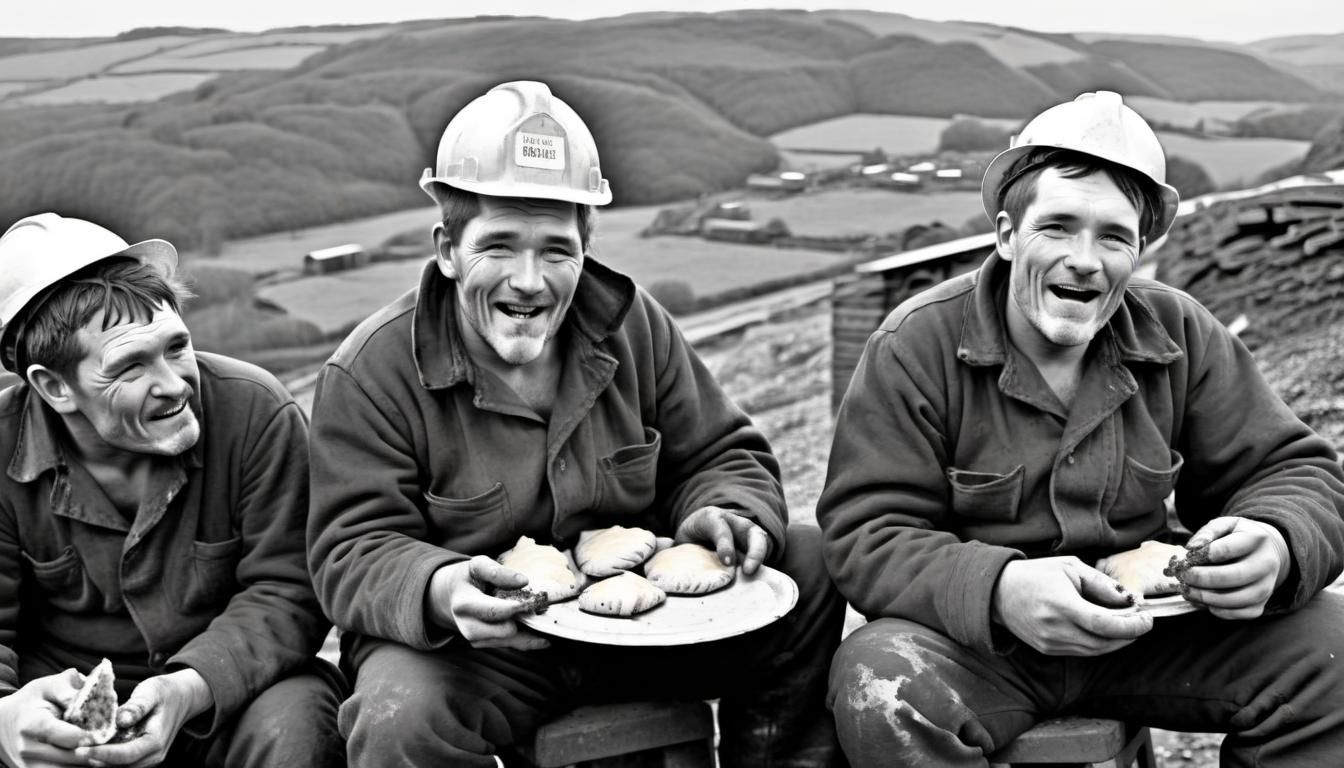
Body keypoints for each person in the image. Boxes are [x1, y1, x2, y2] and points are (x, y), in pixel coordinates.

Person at [306, 80, 846, 767]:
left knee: (807, 564)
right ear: (447, 249)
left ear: (584, 249)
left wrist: (728, 512)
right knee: (397, 716)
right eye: (499, 246)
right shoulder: (372, 372)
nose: (530, 280)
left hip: (648, 628)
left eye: (556, 250)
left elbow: (720, 452)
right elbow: (351, 548)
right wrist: (443, 590)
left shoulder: (632, 326)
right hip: (481, 654)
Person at [818, 91, 1344, 766]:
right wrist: (1001, 591)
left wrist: (1276, 542)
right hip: (979, 650)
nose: (1085, 260)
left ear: (1140, 252)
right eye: (1058, 227)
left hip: (1149, 634)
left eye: (1114, 237)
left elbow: (1294, 471)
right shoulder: (913, 345)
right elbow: (865, 532)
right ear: (1008, 235)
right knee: (878, 686)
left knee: (1335, 655)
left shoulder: (1180, 332)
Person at [0, 213, 346, 767]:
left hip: (233, 693)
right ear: (53, 386)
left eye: (176, 346)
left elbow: (289, 591)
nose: (174, 384)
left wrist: (190, 686)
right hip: (63, 712)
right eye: (130, 367)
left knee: (298, 724)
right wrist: (7, 719)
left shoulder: (254, 412)